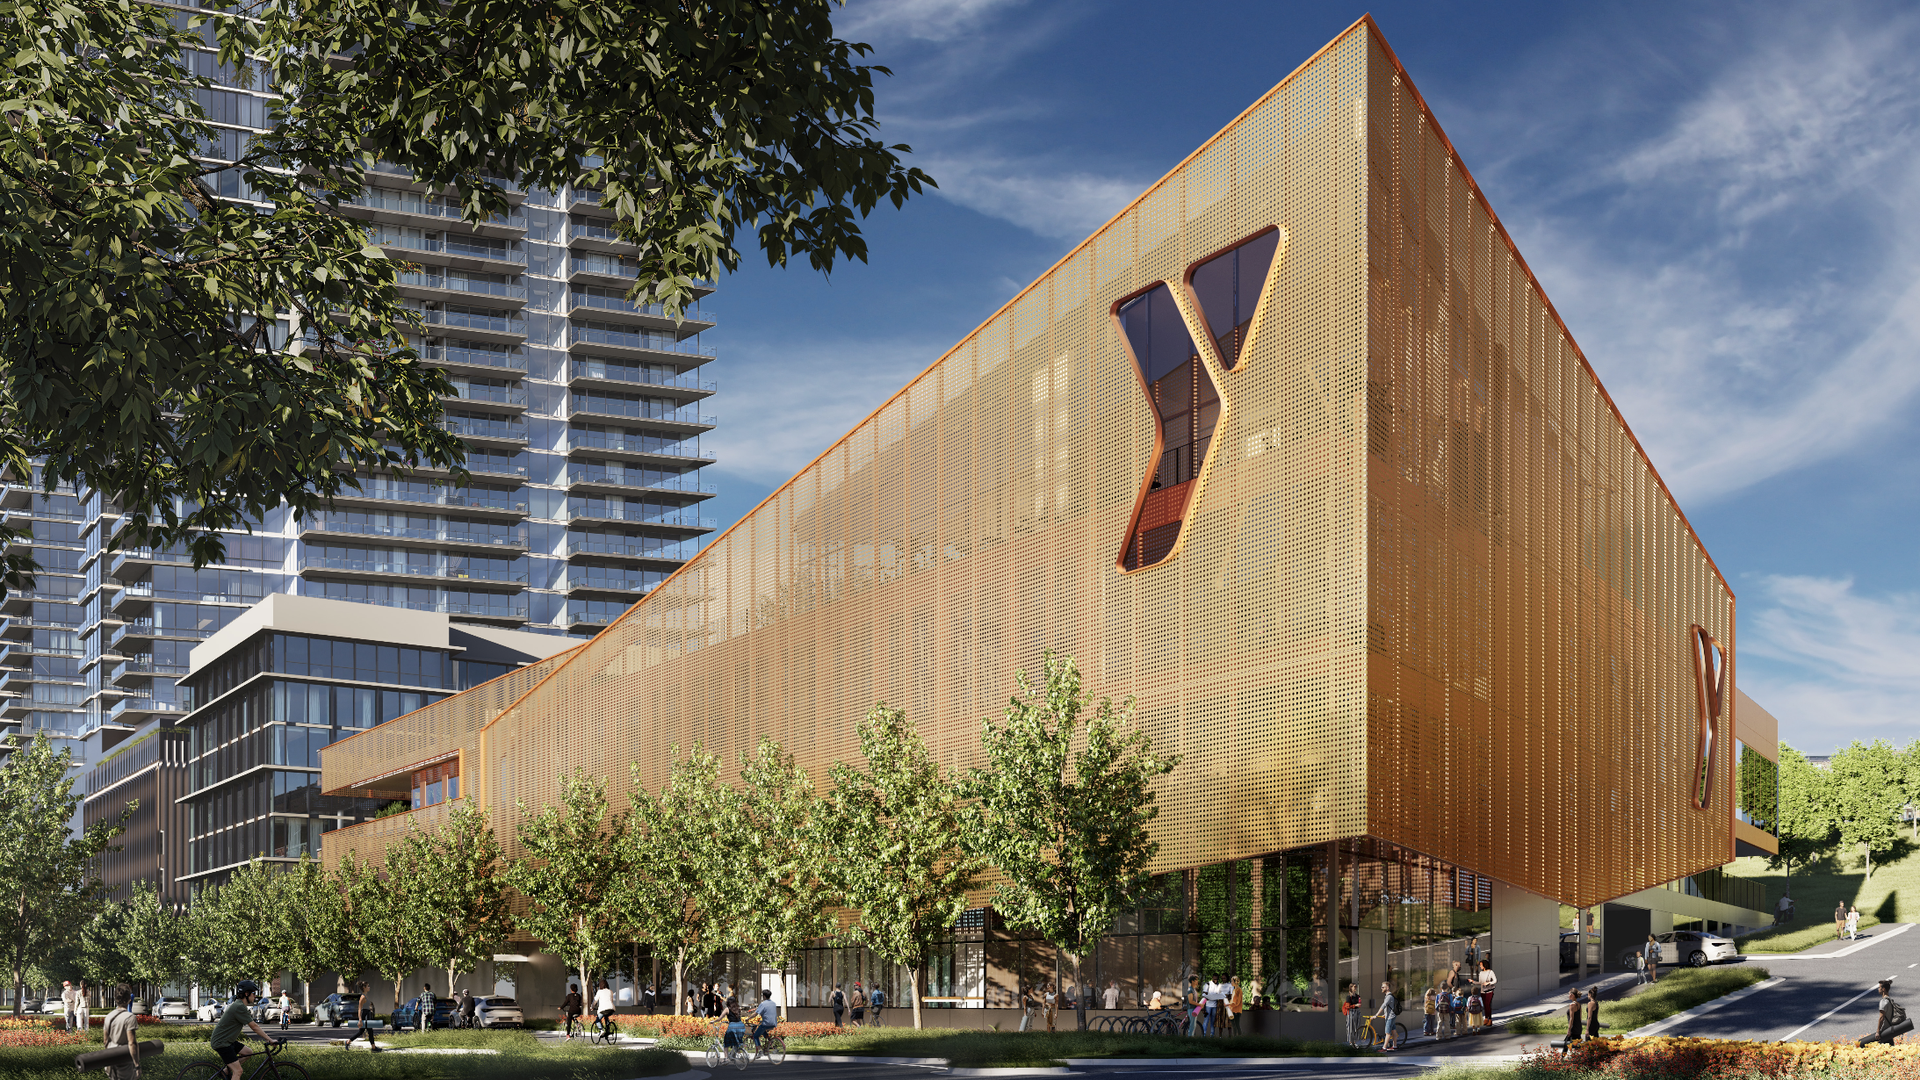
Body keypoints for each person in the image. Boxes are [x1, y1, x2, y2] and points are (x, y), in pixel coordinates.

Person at [211, 981, 280, 1080]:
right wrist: (269, 1039)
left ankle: (224, 1072)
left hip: (227, 1040)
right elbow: (254, 1027)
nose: (255, 996)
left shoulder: (239, 1005)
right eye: (253, 993)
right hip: (222, 1042)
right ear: (246, 994)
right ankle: (230, 1071)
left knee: (248, 1052)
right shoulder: (239, 1007)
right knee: (238, 1071)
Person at [102, 988, 142, 1080]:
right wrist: (137, 1065)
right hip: (124, 1059)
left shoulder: (109, 1016)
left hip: (110, 1058)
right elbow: (132, 1043)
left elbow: (105, 1041)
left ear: (115, 999)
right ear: (129, 999)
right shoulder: (130, 1017)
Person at [1860, 978, 1913, 1046]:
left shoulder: (1883, 1002)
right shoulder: (1889, 1000)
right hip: (1889, 1032)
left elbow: (1881, 1018)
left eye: (1879, 987)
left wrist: (1878, 1032)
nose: (1878, 989)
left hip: (1884, 1033)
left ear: (1883, 989)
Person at [349, 981, 379, 1052]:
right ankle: (373, 1048)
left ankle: (373, 1048)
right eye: (368, 986)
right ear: (364, 988)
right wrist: (360, 1020)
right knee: (365, 1031)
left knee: (367, 1031)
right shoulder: (362, 997)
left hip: (367, 1014)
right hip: (364, 1015)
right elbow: (359, 1009)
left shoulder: (365, 996)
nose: (369, 987)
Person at [750, 989, 780, 1054]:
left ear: (764, 996)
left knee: (755, 1036)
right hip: (773, 1023)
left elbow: (755, 1014)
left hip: (766, 1024)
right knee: (763, 1029)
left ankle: (760, 1051)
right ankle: (770, 1043)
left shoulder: (763, 1004)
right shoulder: (774, 1003)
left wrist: (748, 1018)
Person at [1375, 982, 1399, 1050]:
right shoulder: (1389, 996)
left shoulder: (1389, 996)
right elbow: (1389, 1007)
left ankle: (1384, 1048)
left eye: (1383, 987)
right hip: (1392, 1015)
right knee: (1393, 1031)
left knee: (1387, 1033)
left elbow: (1383, 1006)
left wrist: (1376, 1015)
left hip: (1390, 1017)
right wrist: (1385, 1014)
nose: (1381, 988)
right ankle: (1395, 1046)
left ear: (1387, 988)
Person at [1477, 961, 1497, 1031]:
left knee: (1488, 1004)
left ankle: (1490, 1019)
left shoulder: (1490, 972)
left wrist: (1489, 982)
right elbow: (1480, 982)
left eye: (1481, 965)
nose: (1480, 966)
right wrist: (1473, 982)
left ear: (1484, 965)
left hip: (1489, 991)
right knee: (1485, 1005)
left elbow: (1495, 980)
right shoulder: (1481, 973)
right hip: (1482, 991)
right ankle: (1486, 1018)